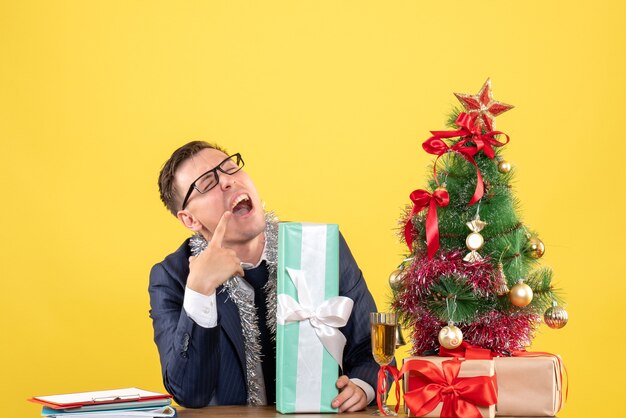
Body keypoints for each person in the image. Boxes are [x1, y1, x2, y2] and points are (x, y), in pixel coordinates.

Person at [149, 141, 381, 411]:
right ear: (190, 220)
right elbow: (190, 394)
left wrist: (362, 387)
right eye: (207, 184)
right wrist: (200, 290)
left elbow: (372, 349)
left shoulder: (319, 247)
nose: (226, 181)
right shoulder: (171, 277)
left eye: (229, 168)